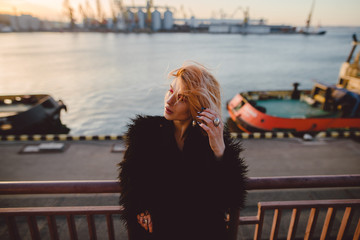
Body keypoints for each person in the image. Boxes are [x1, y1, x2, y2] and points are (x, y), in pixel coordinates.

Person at [118, 62, 247, 240]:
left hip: (202, 231)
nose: (169, 101)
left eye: (182, 98)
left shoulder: (210, 139)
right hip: (156, 231)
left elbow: (231, 198)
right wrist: (139, 207)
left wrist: (219, 148)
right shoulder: (144, 132)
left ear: (197, 105)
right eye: (171, 92)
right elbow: (130, 177)